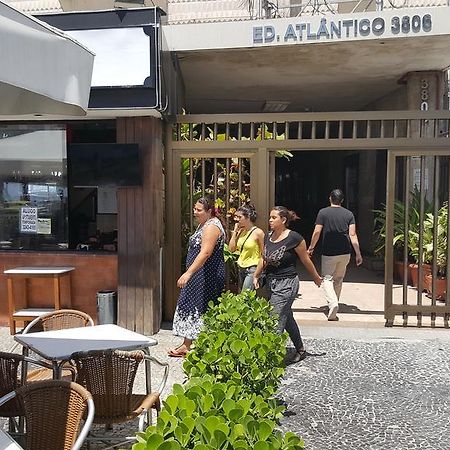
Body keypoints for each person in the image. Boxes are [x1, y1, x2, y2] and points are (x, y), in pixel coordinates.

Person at [253, 206, 322, 362]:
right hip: (271, 283)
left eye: (273, 218)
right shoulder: (268, 237)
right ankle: (300, 349)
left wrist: (316, 277)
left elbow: (305, 259)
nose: (270, 220)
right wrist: (256, 275)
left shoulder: (294, 238)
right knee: (287, 317)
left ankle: (269, 359)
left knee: (275, 319)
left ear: (283, 220)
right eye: (270, 217)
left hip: (287, 283)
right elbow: (264, 258)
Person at [169, 197, 225, 357]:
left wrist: (188, 273)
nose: (195, 212)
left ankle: (206, 347)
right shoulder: (205, 224)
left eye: (199, 210)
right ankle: (187, 345)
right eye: (194, 209)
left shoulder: (211, 227)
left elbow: (206, 252)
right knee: (194, 306)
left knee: (203, 308)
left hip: (205, 276)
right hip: (199, 275)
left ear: (209, 211)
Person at [307, 188, 363, 321]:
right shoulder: (349, 214)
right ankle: (334, 303)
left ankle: (332, 304)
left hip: (329, 252)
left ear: (330, 198)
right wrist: (358, 253)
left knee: (327, 278)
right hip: (345, 251)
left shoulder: (323, 213)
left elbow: (317, 232)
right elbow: (353, 234)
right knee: (338, 279)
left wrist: (311, 247)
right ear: (342, 201)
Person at [228, 205, 264, 291]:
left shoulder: (258, 233)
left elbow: (263, 253)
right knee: (242, 295)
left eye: (239, 217)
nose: (237, 219)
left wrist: (259, 272)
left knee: (245, 295)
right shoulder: (241, 231)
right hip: (241, 266)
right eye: (236, 217)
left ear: (248, 217)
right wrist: (235, 232)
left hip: (252, 267)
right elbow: (231, 249)